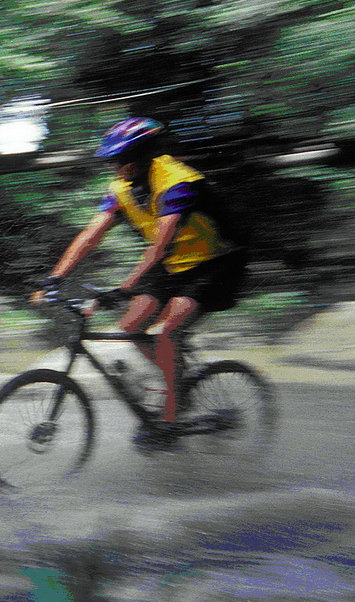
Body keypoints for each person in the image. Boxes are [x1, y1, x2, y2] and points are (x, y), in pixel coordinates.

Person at [34, 117, 247, 429]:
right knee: (130, 326)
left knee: (164, 333)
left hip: (217, 262)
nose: (114, 168)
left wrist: (124, 288)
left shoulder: (178, 181)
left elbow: (159, 246)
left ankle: (171, 416)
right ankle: (177, 380)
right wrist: (54, 279)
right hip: (174, 261)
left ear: (141, 158)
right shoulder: (122, 186)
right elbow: (91, 235)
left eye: (120, 161)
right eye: (112, 162)